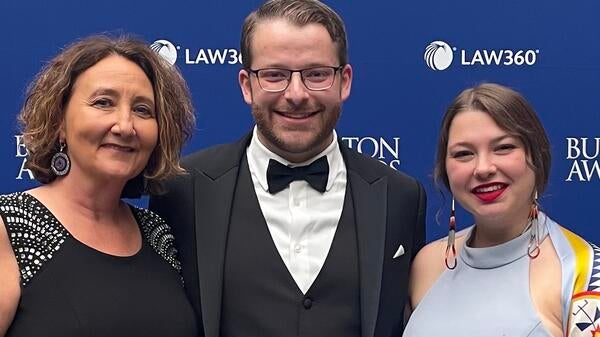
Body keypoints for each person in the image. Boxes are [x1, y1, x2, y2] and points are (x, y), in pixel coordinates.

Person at [149, 0, 426, 336]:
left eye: (317, 74)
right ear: (246, 85)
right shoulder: (182, 190)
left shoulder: (400, 196)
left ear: (345, 81)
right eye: (274, 75)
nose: (296, 94)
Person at [0, 35, 198, 336]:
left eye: (143, 110)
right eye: (103, 103)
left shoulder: (159, 235)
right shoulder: (10, 228)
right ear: (59, 123)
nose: (125, 126)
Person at [403, 83, 599, 337]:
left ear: (536, 157)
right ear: (445, 168)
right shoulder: (426, 265)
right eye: (464, 154)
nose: (483, 168)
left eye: (503, 147)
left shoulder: (583, 272)